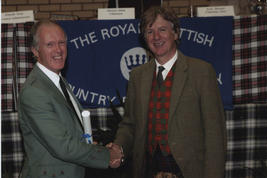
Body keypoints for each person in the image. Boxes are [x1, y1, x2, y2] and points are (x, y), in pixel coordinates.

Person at [109, 6, 227, 178]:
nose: (156, 37)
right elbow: (129, 124)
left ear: (176, 33)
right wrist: (119, 148)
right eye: (150, 31)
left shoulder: (201, 72)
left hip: (189, 171)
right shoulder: (137, 76)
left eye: (162, 30)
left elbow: (215, 134)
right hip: (148, 170)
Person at [18, 20, 122, 178]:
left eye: (61, 43)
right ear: (35, 51)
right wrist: (107, 155)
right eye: (50, 44)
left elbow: (72, 133)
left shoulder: (58, 81)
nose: (58, 50)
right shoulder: (34, 91)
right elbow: (63, 147)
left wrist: (95, 147)